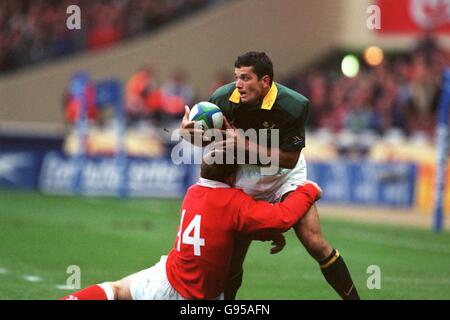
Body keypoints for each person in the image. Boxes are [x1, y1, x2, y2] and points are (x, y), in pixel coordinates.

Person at [180, 51, 360, 300]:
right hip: (246, 177)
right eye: (236, 78)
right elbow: (205, 141)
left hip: (285, 175)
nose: (239, 85)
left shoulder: (293, 106)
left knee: (315, 242)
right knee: (233, 262)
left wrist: (246, 145)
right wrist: (188, 134)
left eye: (245, 78)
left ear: (265, 81)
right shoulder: (222, 99)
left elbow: (290, 158)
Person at [61, 150, 322, 300]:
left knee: (117, 290)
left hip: (166, 278)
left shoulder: (193, 192)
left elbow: (222, 229)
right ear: (233, 176)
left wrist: (263, 233)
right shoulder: (234, 202)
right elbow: (283, 217)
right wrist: (308, 190)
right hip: (195, 297)